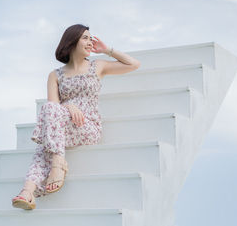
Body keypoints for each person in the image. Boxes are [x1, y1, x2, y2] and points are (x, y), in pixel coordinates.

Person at [11, 23, 141, 210]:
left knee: (48, 138)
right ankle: (28, 191)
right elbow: (53, 108)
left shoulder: (97, 66)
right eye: (85, 38)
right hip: (63, 126)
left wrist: (107, 50)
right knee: (48, 125)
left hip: (87, 127)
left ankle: (47, 175)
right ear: (72, 42)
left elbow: (134, 64)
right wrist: (69, 106)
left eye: (91, 38)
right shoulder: (55, 75)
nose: (90, 42)